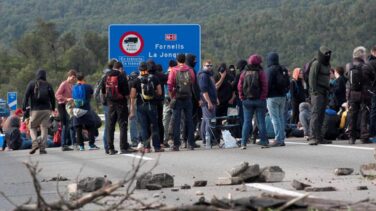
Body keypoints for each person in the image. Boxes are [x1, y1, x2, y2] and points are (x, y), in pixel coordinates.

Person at [129, 62, 164, 153]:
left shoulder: (136, 80)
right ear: (147, 69)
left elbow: (132, 96)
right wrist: (153, 93)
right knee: (155, 126)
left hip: (141, 106)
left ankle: (146, 147)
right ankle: (157, 147)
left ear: (139, 70)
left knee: (144, 127)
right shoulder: (154, 78)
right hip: (152, 105)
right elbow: (160, 92)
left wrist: (132, 110)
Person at [101, 62, 135, 155]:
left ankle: (110, 148)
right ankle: (123, 147)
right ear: (120, 68)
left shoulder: (106, 76)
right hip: (121, 105)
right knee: (123, 126)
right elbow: (127, 93)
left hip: (110, 105)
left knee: (110, 126)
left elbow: (103, 91)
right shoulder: (122, 76)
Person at [238, 54, 269, 149]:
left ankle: (243, 143)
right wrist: (263, 97)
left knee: (246, 122)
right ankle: (263, 141)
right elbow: (265, 85)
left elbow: (239, 86)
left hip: (247, 100)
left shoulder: (244, 72)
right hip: (259, 100)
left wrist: (242, 97)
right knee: (261, 121)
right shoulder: (260, 72)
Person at [22, 69, 56, 154]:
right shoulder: (48, 85)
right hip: (46, 110)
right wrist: (53, 108)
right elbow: (52, 97)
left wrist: (24, 107)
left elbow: (26, 96)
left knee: (32, 127)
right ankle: (42, 148)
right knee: (44, 128)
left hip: (35, 110)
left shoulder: (31, 83)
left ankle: (34, 143)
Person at [167, 53, 196, 151]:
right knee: (189, 121)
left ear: (177, 60)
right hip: (188, 97)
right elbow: (192, 81)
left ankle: (176, 144)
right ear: (185, 59)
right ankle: (191, 143)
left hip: (177, 97)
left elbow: (170, 85)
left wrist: (172, 97)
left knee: (176, 121)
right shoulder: (190, 70)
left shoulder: (173, 70)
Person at [345, 46, 371, 144]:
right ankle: (364, 136)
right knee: (364, 114)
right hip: (364, 94)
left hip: (352, 93)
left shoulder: (348, 65)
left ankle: (351, 137)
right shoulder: (366, 66)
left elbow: (347, 79)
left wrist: (347, 97)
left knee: (353, 115)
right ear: (362, 55)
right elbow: (371, 79)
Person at [308, 46, 332, 145]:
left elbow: (328, 77)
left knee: (322, 114)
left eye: (329, 53)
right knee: (315, 114)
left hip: (325, 91)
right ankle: (313, 137)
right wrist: (314, 91)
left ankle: (319, 137)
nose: (328, 55)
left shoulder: (327, 64)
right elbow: (312, 78)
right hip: (317, 92)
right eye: (326, 53)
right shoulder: (316, 63)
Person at [266, 52, 290, 147]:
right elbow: (288, 82)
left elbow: (267, 84)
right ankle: (281, 138)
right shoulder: (282, 69)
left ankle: (278, 139)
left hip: (272, 97)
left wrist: (266, 95)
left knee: (274, 118)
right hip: (283, 96)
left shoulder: (270, 70)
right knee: (281, 117)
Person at [71, 72, 100, 151]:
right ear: (84, 78)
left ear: (76, 79)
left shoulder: (73, 87)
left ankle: (81, 146)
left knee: (78, 128)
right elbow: (91, 94)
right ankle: (91, 144)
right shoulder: (88, 86)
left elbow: (72, 97)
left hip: (76, 110)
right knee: (91, 126)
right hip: (86, 109)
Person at [94, 59, 117, 154]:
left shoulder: (104, 75)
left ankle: (107, 146)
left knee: (109, 124)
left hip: (106, 103)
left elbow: (96, 92)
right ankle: (107, 146)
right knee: (109, 125)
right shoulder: (108, 76)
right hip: (110, 103)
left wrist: (100, 101)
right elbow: (97, 91)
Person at [198, 60, 218, 149]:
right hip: (207, 101)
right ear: (203, 66)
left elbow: (213, 88)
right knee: (210, 120)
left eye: (211, 65)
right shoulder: (203, 75)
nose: (209, 67)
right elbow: (204, 90)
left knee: (205, 120)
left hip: (212, 100)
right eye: (207, 65)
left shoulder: (210, 75)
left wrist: (216, 98)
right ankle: (208, 140)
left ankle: (205, 139)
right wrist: (209, 102)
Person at [55, 69, 77, 151]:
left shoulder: (71, 85)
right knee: (65, 125)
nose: (73, 79)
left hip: (68, 107)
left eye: (75, 78)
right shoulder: (64, 84)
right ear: (69, 76)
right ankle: (63, 144)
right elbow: (57, 95)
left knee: (70, 124)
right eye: (73, 77)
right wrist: (66, 99)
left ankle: (70, 143)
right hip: (61, 105)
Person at [214, 63, 236, 144]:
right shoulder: (216, 76)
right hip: (219, 103)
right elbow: (215, 87)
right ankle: (217, 139)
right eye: (221, 70)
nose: (222, 71)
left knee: (231, 120)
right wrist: (222, 77)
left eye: (224, 70)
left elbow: (234, 89)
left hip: (229, 102)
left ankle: (231, 137)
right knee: (217, 121)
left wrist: (232, 98)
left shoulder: (230, 77)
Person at [366, 45, 376, 142]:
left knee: (373, 112)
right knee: (373, 112)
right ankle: (372, 134)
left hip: (371, 91)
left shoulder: (368, 63)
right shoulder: (371, 63)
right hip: (373, 91)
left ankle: (372, 134)